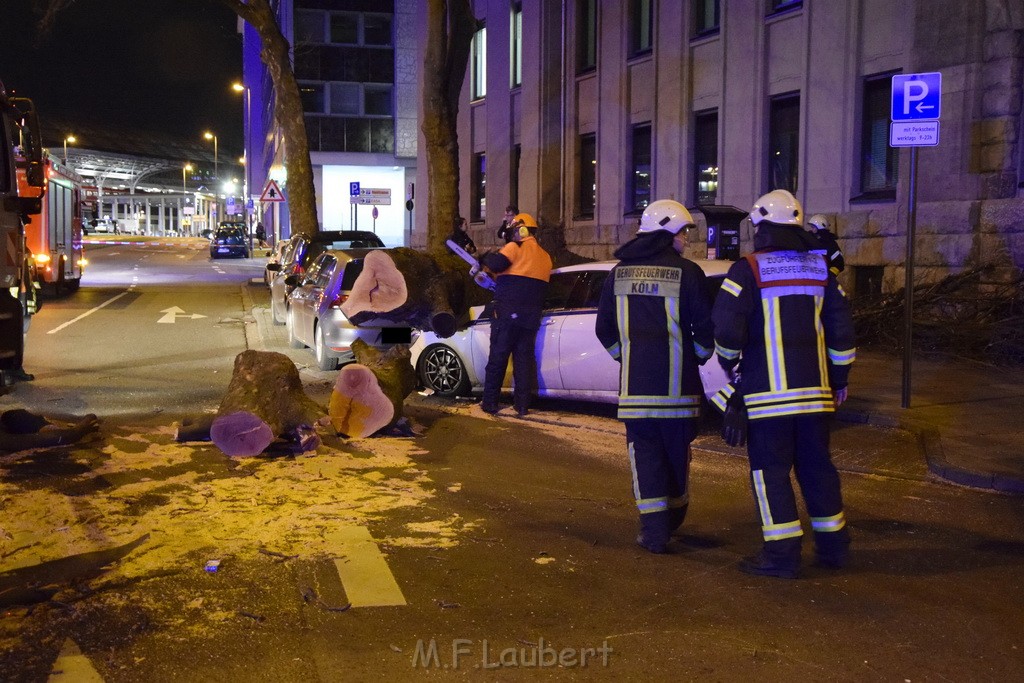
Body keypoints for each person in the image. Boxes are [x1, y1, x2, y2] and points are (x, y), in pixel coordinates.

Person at [711, 189, 856, 578]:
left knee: (771, 473)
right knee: (818, 469)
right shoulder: (821, 267)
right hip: (815, 396)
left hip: (767, 398)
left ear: (760, 228)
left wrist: (730, 366)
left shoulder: (748, 269)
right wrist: (839, 379)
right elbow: (841, 330)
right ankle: (833, 549)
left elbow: (725, 332)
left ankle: (781, 556)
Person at [595, 199, 714, 554]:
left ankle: (654, 530)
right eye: (682, 233)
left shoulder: (618, 274)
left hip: (637, 393)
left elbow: (605, 330)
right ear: (668, 234)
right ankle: (672, 519)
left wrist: (628, 358)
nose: (685, 240)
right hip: (680, 393)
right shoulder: (689, 273)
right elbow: (705, 333)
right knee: (676, 456)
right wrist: (696, 359)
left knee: (644, 457)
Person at [477, 213, 552, 416]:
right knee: (524, 360)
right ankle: (522, 405)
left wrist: (483, 257)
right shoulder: (546, 257)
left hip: (507, 313)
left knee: (498, 359)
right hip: (530, 317)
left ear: (521, 229)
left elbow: (495, 264)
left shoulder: (515, 248)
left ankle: (490, 402)